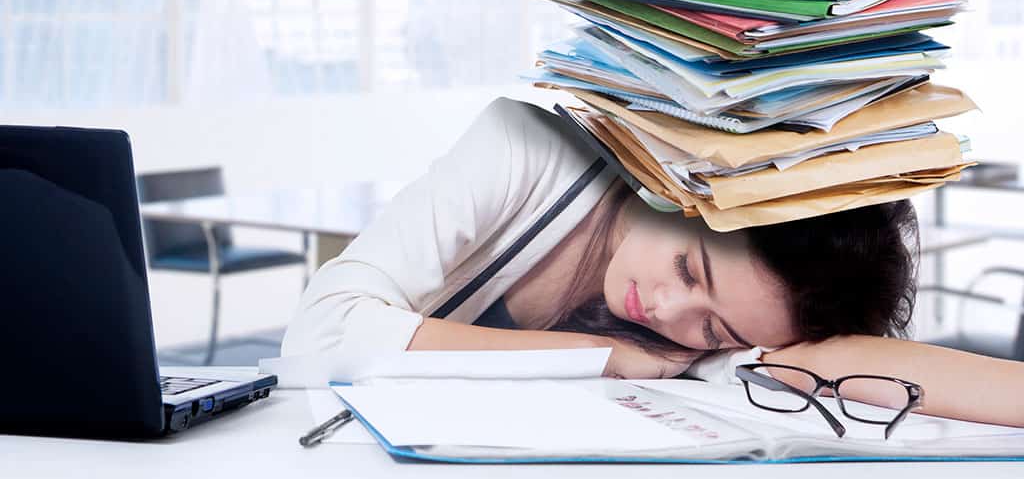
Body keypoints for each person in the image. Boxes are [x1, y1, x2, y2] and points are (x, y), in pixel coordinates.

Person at [283, 98, 1024, 427]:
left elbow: (865, 364)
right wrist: (598, 354)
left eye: (714, 331)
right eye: (690, 270)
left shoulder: (704, 329)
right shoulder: (523, 151)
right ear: (683, 191)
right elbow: (322, 338)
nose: (669, 313)